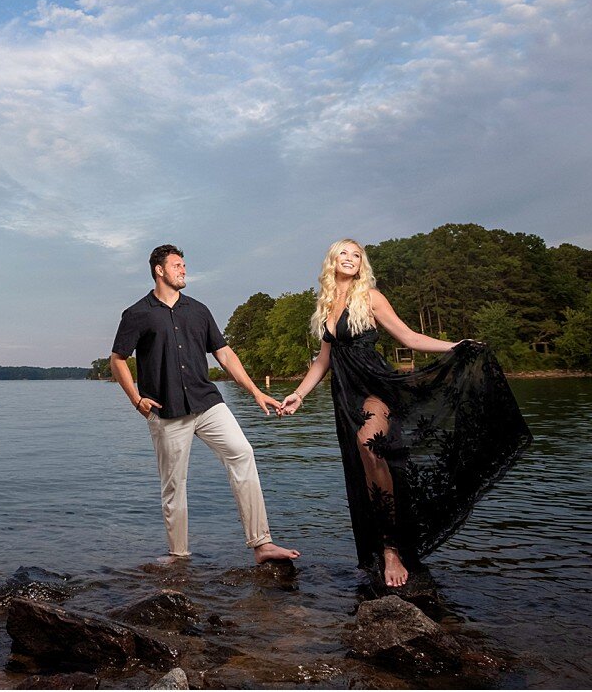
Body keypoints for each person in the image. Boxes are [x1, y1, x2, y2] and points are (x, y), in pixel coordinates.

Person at [281, 239, 531, 588]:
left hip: (375, 388)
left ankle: (391, 549)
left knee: (371, 445)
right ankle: (382, 543)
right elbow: (323, 361)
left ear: (361, 264)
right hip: (344, 396)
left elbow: (408, 337)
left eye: (357, 255)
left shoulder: (370, 297)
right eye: (344, 253)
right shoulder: (326, 306)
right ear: (332, 261)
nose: (351, 258)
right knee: (365, 469)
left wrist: (456, 346)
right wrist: (297, 395)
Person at [110, 244, 300, 564]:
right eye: (177, 265)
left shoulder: (199, 310)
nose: (184, 270)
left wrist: (254, 391)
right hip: (166, 408)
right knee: (174, 485)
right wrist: (136, 399)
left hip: (207, 401)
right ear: (159, 270)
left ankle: (262, 544)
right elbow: (117, 359)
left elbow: (224, 354)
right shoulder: (137, 314)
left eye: (184, 265)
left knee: (242, 453)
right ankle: (179, 556)